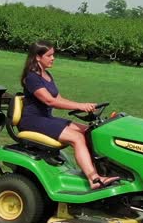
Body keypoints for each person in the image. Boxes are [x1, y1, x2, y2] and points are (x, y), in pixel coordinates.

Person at [18, 40, 120, 189]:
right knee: (77, 138)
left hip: (46, 118)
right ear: (38, 57)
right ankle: (93, 179)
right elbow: (49, 101)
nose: (53, 58)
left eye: (53, 55)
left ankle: (102, 170)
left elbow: (58, 98)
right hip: (33, 121)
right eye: (49, 55)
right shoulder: (32, 77)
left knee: (88, 131)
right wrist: (81, 106)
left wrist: (83, 105)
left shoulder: (47, 75)